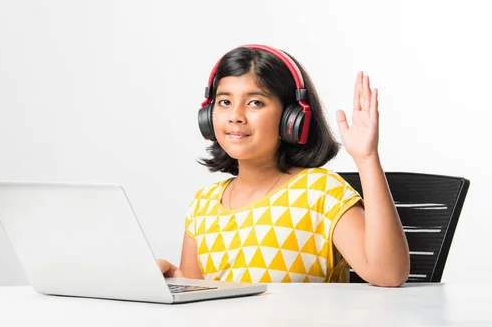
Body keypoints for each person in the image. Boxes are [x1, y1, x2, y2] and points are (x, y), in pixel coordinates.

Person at [157, 44, 410, 287]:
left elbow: (388, 273)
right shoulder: (204, 204)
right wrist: (175, 279)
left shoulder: (319, 192)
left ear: (292, 118)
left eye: (255, 102)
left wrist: (366, 159)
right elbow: (197, 297)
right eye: (224, 102)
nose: (235, 115)